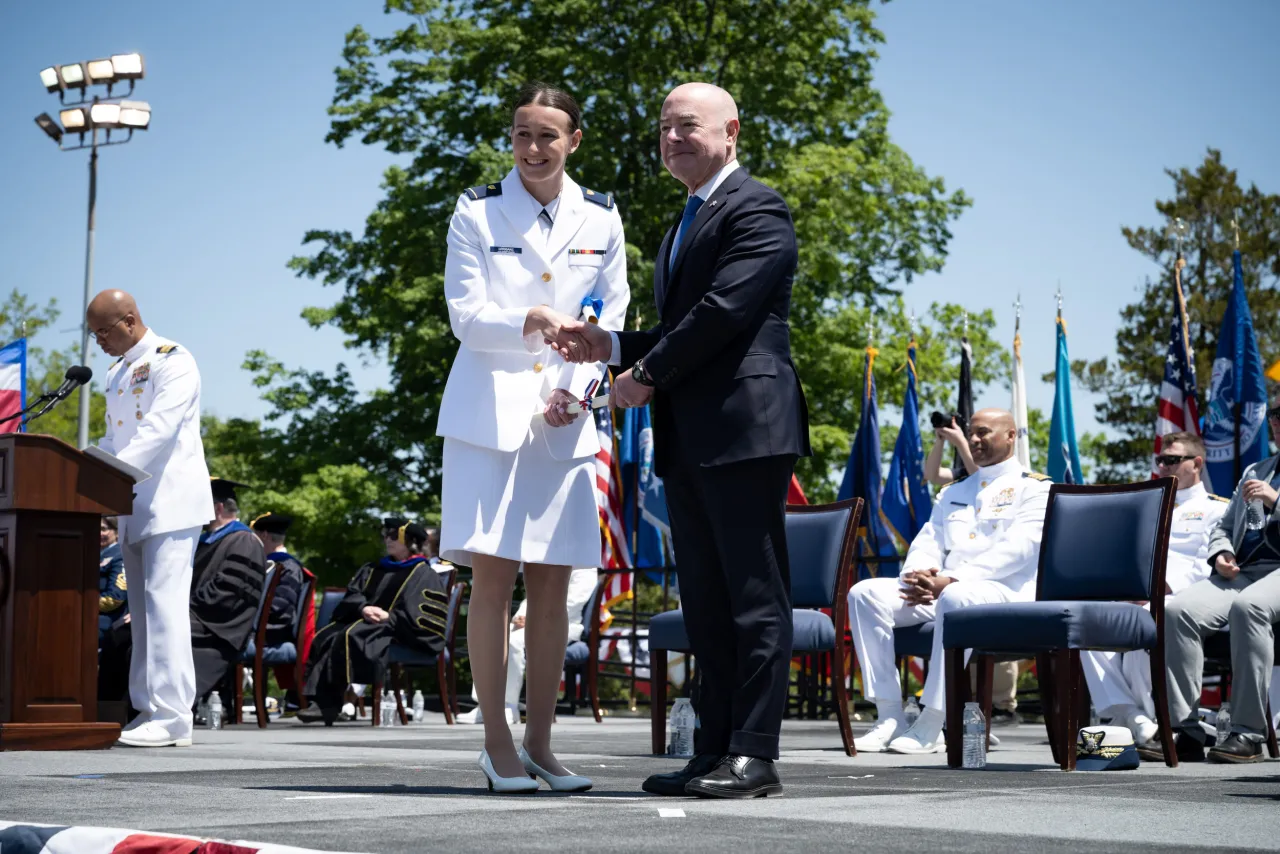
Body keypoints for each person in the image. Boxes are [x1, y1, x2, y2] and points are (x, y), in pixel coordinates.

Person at [566, 83, 809, 798]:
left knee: (752, 598)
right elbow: (683, 329)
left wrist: (644, 371)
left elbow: (725, 312)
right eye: (665, 127)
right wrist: (608, 343)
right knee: (705, 600)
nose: (673, 138)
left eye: (688, 126)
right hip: (692, 434)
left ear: (731, 131)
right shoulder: (681, 223)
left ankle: (755, 754)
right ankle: (712, 751)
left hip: (745, 426)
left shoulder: (757, 206)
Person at [435, 81, 628, 795]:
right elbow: (465, 315)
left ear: (574, 140)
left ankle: (541, 744)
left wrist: (574, 393)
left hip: (565, 416)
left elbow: (612, 315)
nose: (534, 147)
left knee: (552, 588)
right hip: (488, 415)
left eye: (548, 134)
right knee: (493, 580)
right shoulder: (475, 213)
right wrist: (533, 321)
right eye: (522, 133)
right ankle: (496, 745)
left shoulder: (603, 218)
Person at [845, 408, 1050, 754]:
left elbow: (1019, 549)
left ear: (1011, 436)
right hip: (944, 589)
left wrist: (951, 579)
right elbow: (930, 539)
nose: (974, 440)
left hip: (1003, 593)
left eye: (984, 432)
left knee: (956, 597)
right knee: (864, 593)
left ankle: (934, 720)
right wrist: (920, 575)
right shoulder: (955, 490)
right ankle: (890, 715)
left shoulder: (1035, 488)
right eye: (971, 433)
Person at [89, 289, 214, 748]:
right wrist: (84, 467)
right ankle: (148, 710)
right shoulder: (116, 373)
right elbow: (111, 436)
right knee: (140, 614)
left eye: (104, 331)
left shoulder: (173, 359)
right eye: (94, 334)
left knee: (164, 607)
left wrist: (108, 476)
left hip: (170, 500)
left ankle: (174, 714)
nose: (99, 341)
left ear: (129, 320)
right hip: (132, 504)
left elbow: (158, 429)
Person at [1142, 391, 1280, 764]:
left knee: (1249, 607)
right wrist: (1220, 552)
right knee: (1176, 611)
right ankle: (1183, 730)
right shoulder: (1257, 470)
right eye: (1276, 416)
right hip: (1244, 571)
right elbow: (1224, 526)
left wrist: (1275, 501)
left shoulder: (1266, 484)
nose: (1279, 424)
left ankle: (1248, 733)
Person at [1082, 432, 1226, 747]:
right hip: (1136, 594)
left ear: (1196, 463)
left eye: (1172, 460)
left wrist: (1156, 588)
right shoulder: (1148, 506)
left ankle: (1145, 722)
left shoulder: (1217, 509)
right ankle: (1136, 718)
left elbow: (1207, 567)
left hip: (1184, 600)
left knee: (1144, 619)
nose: (1162, 466)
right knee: (1085, 622)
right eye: (1160, 460)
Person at [298, 519, 450, 724]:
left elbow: (424, 615)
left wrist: (390, 617)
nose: (387, 539)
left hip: (401, 630)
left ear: (411, 541)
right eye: (386, 535)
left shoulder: (423, 574)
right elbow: (353, 594)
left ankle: (329, 704)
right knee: (327, 635)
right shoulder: (374, 568)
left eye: (394, 536)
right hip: (368, 623)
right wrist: (363, 608)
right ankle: (317, 701)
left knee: (351, 635)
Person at [457, 567, 598, 725]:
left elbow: (572, 603)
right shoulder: (550, 560)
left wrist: (535, 618)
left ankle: (508, 706)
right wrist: (520, 617)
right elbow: (532, 595)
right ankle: (486, 705)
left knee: (513, 641)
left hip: (561, 625)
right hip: (531, 620)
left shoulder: (586, 569)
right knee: (492, 636)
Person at [190, 478, 268, 700]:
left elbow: (227, 596)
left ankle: (158, 707)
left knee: (158, 629)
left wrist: (178, 610)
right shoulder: (205, 541)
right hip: (200, 616)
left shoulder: (244, 541)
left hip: (220, 627)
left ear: (218, 508)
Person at [249, 512, 308, 714]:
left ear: (264, 535)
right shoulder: (267, 564)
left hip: (270, 637)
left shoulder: (287, 567)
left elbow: (280, 612)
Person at [924, 415, 976, 487]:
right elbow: (932, 476)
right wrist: (940, 440)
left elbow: (978, 476)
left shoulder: (994, 474)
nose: (975, 439)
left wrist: (961, 442)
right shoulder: (965, 473)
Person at [98, 517, 127, 646]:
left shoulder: (119, 555)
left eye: (104, 529)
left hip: (107, 619)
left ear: (116, 532)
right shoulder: (97, 553)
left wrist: (84, 604)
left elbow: (115, 598)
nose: (99, 533)